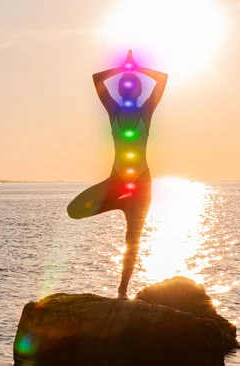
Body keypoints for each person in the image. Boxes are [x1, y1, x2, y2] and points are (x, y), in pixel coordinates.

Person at [67, 50, 168, 299]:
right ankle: (118, 205)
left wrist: (134, 69)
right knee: (74, 210)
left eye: (132, 85)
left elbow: (163, 78)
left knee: (132, 241)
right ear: (122, 91)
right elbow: (96, 79)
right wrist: (124, 70)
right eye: (126, 85)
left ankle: (122, 292)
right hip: (116, 182)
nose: (129, 88)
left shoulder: (147, 111)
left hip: (142, 186)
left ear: (138, 91)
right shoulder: (112, 110)